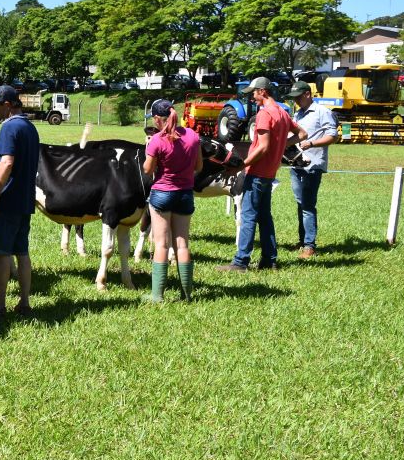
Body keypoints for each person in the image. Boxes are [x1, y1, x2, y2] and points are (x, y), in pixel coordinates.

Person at [217, 77, 308, 273]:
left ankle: (240, 262)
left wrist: (241, 166)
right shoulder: (282, 113)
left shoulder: (265, 114)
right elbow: (302, 134)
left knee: (248, 216)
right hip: (269, 173)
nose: (252, 97)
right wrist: (281, 145)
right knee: (265, 217)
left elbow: (263, 147)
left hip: (257, 172)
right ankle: (269, 260)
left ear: (263, 92)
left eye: (254, 93)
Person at [0, 85, 40, 315]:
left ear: (8, 104)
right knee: (22, 252)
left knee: (1, 252)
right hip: (25, 200)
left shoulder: (9, 127)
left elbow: (6, 162)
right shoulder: (30, 128)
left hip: (7, 200)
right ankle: (24, 303)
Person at [142, 99, 203, 302]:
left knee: (161, 244)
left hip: (162, 194)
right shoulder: (193, 136)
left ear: (157, 119)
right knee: (182, 244)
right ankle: (186, 295)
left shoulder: (157, 140)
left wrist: (149, 150)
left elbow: (148, 169)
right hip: (185, 194)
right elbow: (198, 167)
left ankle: (157, 296)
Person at [286, 81, 339, 259]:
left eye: (298, 97)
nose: (296, 101)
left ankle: (310, 246)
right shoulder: (298, 113)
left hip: (313, 165)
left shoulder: (323, 112)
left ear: (308, 94)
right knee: (300, 203)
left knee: (308, 205)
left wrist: (312, 143)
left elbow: (333, 136)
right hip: (296, 164)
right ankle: (302, 241)